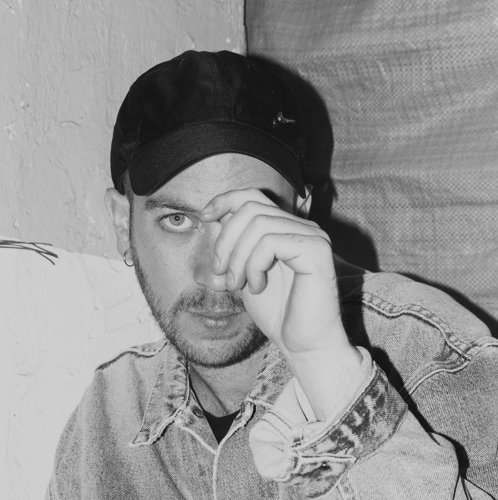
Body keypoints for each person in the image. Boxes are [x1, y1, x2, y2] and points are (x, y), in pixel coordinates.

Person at [46, 51, 498, 500]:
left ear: (301, 215)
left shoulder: (428, 356)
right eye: (177, 220)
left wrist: (325, 367)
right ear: (122, 224)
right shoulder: (107, 417)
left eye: (249, 219)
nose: (218, 274)